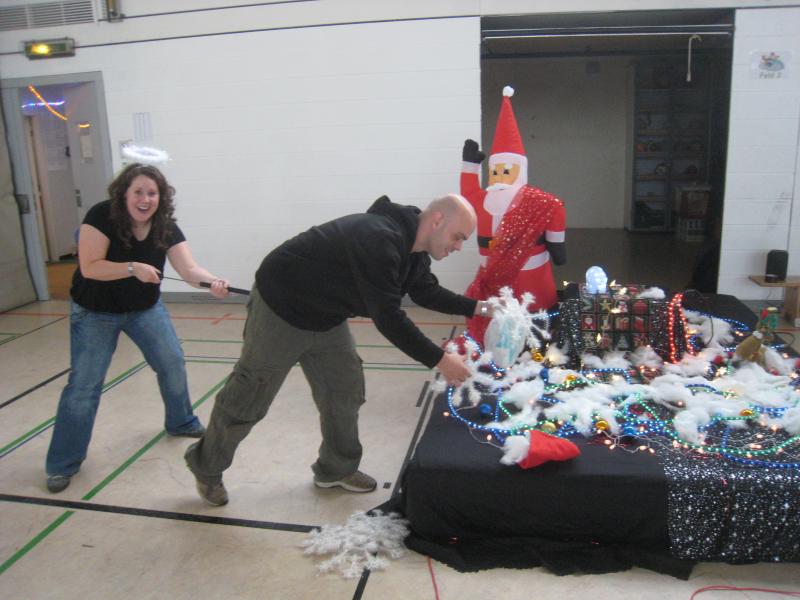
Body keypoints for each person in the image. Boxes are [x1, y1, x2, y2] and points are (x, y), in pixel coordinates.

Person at [184, 193, 492, 505]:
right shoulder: (378, 238)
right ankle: (207, 468)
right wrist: (440, 359)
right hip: (281, 308)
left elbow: (426, 291)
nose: (458, 246)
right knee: (250, 396)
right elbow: (388, 317)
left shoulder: (414, 251)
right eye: (457, 237)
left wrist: (480, 307)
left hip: (326, 316)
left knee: (345, 389)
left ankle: (336, 469)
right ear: (437, 220)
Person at [45, 163, 230, 493]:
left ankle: (181, 421)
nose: (145, 200)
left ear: (161, 197)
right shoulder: (101, 216)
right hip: (95, 311)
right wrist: (132, 268)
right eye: (139, 192)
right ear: (124, 194)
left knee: (172, 362)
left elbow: (189, 270)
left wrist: (212, 282)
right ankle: (62, 463)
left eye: (152, 193)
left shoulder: (165, 226)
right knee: (84, 386)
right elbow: (90, 268)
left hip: (144, 309)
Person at [460, 86, 567, 346]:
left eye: (506, 170)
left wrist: (557, 245)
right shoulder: (484, 198)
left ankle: (533, 341)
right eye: (495, 171)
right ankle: (501, 339)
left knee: (532, 310)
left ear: (520, 170)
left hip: (530, 272)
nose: (499, 176)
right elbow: (468, 194)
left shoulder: (539, 201)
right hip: (494, 274)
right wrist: (469, 165)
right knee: (500, 314)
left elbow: (555, 211)